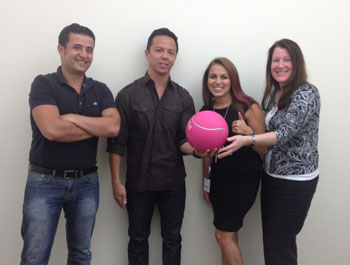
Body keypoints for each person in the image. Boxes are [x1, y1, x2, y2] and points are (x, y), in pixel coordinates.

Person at [20, 23, 120, 265]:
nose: (84, 55)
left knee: (81, 254)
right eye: (77, 47)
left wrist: (72, 119)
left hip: (86, 182)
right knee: (34, 256)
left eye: (89, 49)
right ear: (61, 49)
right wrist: (96, 124)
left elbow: (113, 127)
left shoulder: (101, 89)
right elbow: (52, 130)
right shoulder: (43, 84)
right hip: (45, 182)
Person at [218, 39, 320, 265]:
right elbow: (267, 131)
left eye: (287, 60)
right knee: (274, 245)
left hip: (294, 182)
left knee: (280, 248)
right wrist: (249, 131)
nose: (280, 65)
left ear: (297, 64)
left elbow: (283, 133)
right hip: (272, 177)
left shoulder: (307, 93)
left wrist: (248, 138)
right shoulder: (274, 93)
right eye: (275, 60)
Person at [107, 28, 198, 265]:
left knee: (172, 239)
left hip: (173, 184)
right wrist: (116, 181)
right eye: (159, 50)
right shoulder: (127, 95)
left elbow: (184, 141)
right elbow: (117, 143)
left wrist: (198, 150)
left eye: (171, 52)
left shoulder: (184, 97)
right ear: (147, 53)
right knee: (137, 239)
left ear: (175, 57)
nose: (165, 56)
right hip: (138, 184)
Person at [200, 57, 267, 265]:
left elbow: (264, 149)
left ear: (232, 80)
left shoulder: (248, 106)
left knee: (223, 236)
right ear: (207, 80)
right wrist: (206, 183)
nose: (217, 81)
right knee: (228, 237)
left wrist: (248, 134)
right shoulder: (205, 111)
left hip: (243, 182)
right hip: (219, 182)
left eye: (224, 77)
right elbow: (206, 154)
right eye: (213, 76)